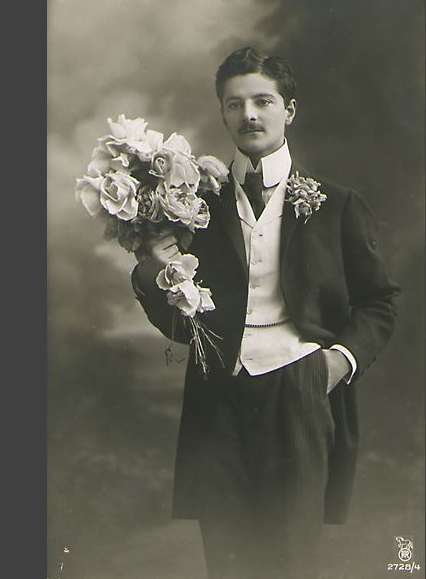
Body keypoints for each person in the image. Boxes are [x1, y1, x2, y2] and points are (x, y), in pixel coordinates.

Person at [130, 46, 400, 579]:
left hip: (300, 385)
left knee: (290, 558)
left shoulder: (337, 205)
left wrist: (337, 362)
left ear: (288, 110)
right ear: (222, 114)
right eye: (234, 104)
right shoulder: (195, 209)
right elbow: (184, 326)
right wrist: (150, 272)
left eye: (262, 101)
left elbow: (379, 300)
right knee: (227, 559)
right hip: (218, 393)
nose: (248, 114)